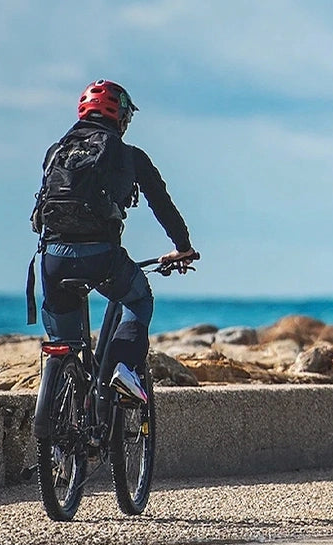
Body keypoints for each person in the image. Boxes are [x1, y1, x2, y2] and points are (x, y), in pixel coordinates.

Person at [30, 79, 198, 408]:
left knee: (66, 342)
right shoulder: (129, 155)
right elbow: (162, 205)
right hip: (101, 258)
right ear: (120, 117)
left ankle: (61, 416)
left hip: (51, 259)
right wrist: (183, 247)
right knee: (138, 298)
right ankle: (122, 372)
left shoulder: (56, 152)